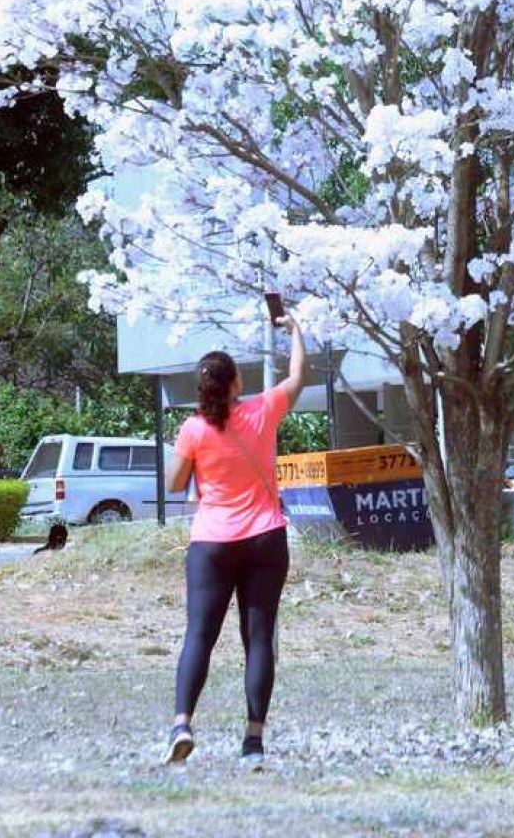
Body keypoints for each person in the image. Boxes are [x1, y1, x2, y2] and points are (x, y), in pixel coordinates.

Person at [162, 313, 306, 768]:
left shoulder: (193, 430)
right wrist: (296, 332)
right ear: (234, 384)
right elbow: (298, 377)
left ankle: (183, 723)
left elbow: (173, 484)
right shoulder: (262, 410)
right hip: (266, 537)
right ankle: (253, 740)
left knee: (199, 636)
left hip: (211, 543)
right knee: (258, 638)